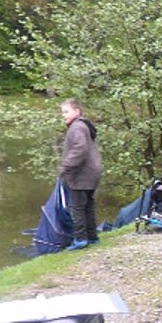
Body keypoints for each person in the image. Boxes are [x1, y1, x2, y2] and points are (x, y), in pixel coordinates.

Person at [58, 98, 103, 250]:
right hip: (92, 173)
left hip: (82, 175)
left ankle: (80, 239)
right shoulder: (84, 125)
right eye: (62, 112)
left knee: (76, 207)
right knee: (88, 206)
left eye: (66, 111)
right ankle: (92, 237)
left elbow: (79, 149)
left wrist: (65, 167)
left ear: (77, 112)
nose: (63, 115)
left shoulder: (77, 127)